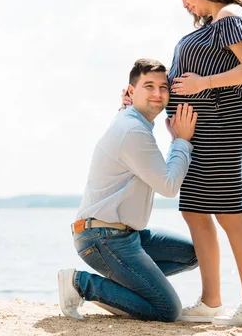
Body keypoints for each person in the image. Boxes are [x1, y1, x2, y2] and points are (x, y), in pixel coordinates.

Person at [121, 0, 242, 326]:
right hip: (202, 131)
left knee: (229, 214)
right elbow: (180, 81)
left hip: (222, 124)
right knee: (194, 212)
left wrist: (203, 85)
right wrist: (140, 100)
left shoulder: (230, 16)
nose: (184, 3)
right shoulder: (212, 26)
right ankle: (211, 301)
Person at [57, 58, 199, 322]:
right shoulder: (133, 129)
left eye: (163, 87)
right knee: (167, 310)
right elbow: (168, 186)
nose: (158, 93)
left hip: (125, 235)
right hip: (103, 238)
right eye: (149, 86)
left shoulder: (130, 120)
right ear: (132, 91)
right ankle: (81, 283)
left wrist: (125, 104)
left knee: (193, 253)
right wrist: (181, 141)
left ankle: (127, 288)